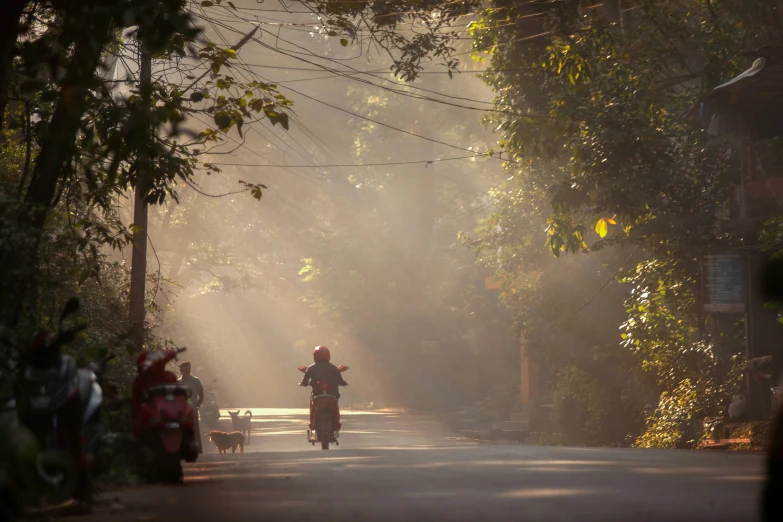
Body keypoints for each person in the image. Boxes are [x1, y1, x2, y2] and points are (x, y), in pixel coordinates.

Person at [299, 345, 348, 431]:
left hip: (317, 395)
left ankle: (312, 424)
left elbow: (304, 381)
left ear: (315, 356)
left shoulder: (311, 367)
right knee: (335, 406)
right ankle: (336, 425)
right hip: (332, 395)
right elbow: (341, 381)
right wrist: (344, 383)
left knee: (313, 407)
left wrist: (303, 384)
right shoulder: (333, 367)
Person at [178, 361, 204, 454]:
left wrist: (197, 405)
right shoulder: (178, 382)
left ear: (189, 369)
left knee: (195, 429)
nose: (185, 370)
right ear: (181, 369)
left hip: (192, 409)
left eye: (187, 368)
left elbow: (201, 395)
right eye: (183, 368)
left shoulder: (195, 380)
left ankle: (198, 450)